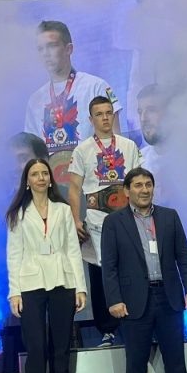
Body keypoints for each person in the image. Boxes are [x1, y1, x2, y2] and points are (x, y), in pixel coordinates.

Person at [101, 168, 187, 373]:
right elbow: (109, 266)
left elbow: (184, 256)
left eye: (148, 184)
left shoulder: (169, 217)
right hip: (134, 301)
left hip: (168, 297)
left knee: (176, 361)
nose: (144, 190)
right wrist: (114, 299)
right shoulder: (113, 222)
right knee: (135, 363)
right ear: (127, 191)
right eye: (138, 185)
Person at [6, 158, 87, 373]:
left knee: (61, 353)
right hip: (30, 285)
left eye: (44, 173)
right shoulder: (17, 214)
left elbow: (72, 250)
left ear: (50, 179)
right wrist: (14, 292)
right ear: (27, 181)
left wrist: (80, 287)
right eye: (34, 174)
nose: (40, 178)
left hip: (63, 282)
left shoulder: (63, 210)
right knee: (37, 353)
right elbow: (13, 254)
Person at [68, 96, 144, 347]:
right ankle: (108, 330)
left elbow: (138, 181)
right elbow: (74, 188)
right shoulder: (82, 150)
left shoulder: (128, 146)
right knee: (102, 273)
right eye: (99, 114)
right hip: (96, 221)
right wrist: (75, 219)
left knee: (131, 269)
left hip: (127, 219)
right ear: (91, 119)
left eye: (108, 113)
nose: (105, 118)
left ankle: (135, 321)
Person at [24, 21, 122, 186]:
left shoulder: (95, 86)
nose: (46, 54)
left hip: (91, 183)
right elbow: (32, 154)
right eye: (40, 49)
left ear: (69, 49)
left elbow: (116, 140)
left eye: (52, 46)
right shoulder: (35, 100)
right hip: (52, 188)